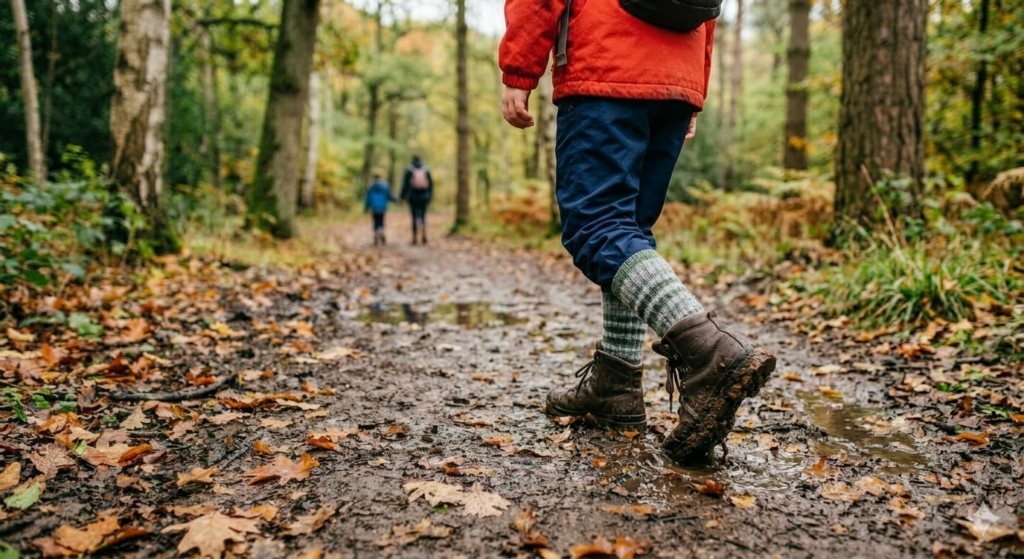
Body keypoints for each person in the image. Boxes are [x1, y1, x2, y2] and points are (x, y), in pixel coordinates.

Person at [498, 0, 775, 465]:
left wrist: (518, 70)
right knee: (627, 230)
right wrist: (694, 90)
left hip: (606, 65)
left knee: (598, 227)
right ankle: (617, 383)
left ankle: (709, 351)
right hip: (677, 75)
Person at [400, 155, 433, 245]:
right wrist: (430, 197)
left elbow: (405, 185)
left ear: (412, 160)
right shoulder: (426, 170)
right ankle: (424, 233)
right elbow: (431, 185)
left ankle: (414, 237)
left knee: (414, 216)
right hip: (424, 196)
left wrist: (402, 197)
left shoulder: (409, 170)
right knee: (423, 216)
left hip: (413, 196)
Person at [364, 171, 399, 246]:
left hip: (374, 207)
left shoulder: (370, 186)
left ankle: (376, 233)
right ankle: (381, 231)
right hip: (382, 207)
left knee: (375, 220)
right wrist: (397, 200)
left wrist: (366, 207)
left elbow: (367, 198)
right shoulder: (385, 186)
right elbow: (390, 196)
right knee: (381, 220)